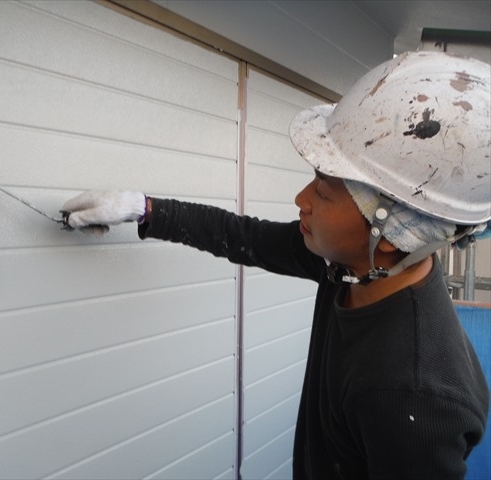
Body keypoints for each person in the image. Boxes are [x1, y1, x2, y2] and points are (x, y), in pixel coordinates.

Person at [62, 52, 490, 479]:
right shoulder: (352, 266)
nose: (301, 199)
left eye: (323, 191)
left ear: (391, 225)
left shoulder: (411, 394)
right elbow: (244, 237)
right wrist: (145, 209)